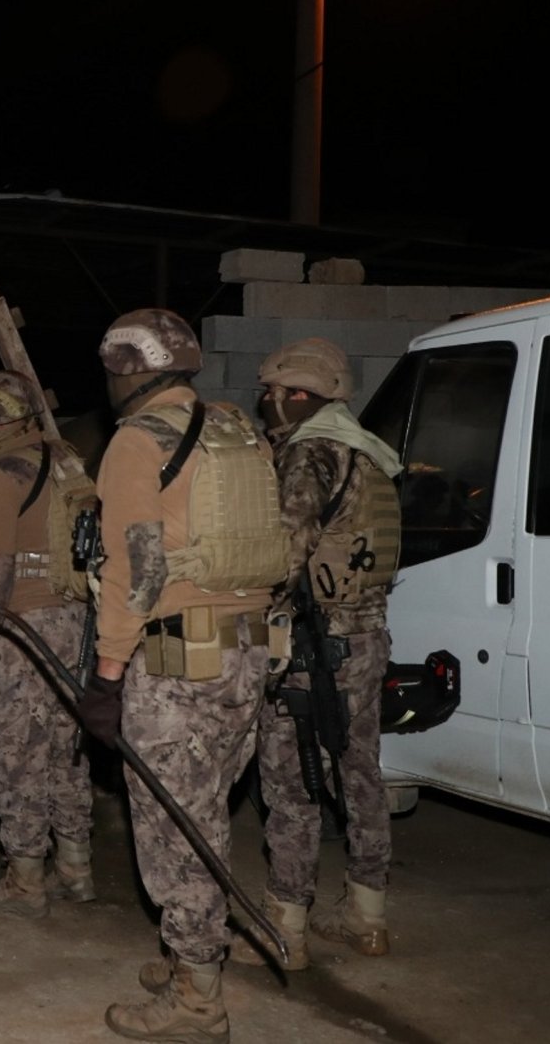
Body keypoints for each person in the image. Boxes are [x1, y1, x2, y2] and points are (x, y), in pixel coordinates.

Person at [82, 308, 287, 1043]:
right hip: (248, 652)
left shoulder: (137, 442)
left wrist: (106, 675)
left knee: (177, 827)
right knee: (206, 811)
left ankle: (199, 1000)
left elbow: (134, 570)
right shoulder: (236, 431)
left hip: (177, 665)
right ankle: (188, 955)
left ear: (126, 371)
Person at [238, 337, 402, 971]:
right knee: (360, 776)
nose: (264, 405)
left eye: (271, 394)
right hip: (366, 639)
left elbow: (285, 554)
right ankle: (367, 918)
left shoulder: (310, 455)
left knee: (292, 785)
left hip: (313, 646)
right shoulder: (372, 454)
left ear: (296, 395)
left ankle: (286, 927)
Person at [0, 370, 94, 918]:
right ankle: (76, 869)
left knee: (16, 755)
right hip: (75, 625)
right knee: (67, 750)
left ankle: (25, 879)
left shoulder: (0, 476)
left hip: (21, 629)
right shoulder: (67, 464)